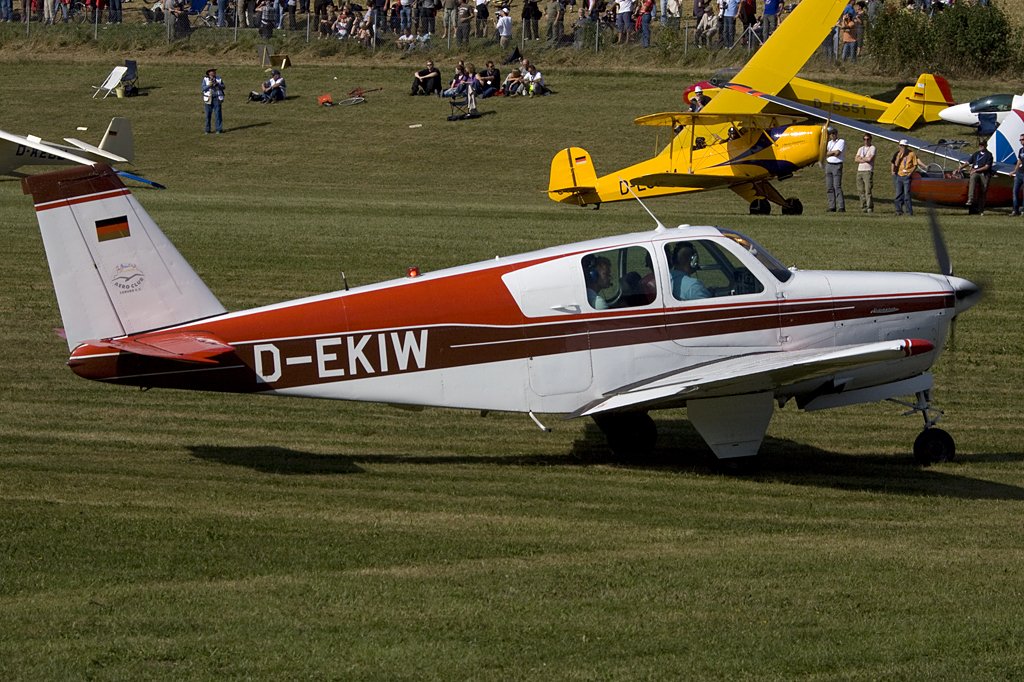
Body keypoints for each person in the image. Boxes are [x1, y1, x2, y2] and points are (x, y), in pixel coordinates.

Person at [960, 139, 994, 215]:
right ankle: (970, 199)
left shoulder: (989, 155)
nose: (980, 146)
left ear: (986, 145)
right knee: (972, 178)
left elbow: (987, 167)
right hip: (976, 172)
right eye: (980, 145)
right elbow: (968, 162)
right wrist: (960, 168)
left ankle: (981, 209)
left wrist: (976, 170)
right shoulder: (976, 154)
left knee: (983, 191)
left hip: (984, 173)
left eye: (982, 145)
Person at [892, 139, 919, 216]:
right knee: (898, 194)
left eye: (903, 146)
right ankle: (898, 210)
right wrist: (899, 156)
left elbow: (915, 165)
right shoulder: (898, 154)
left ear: (907, 146)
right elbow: (896, 164)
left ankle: (909, 211)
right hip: (899, 175)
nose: (902, 147)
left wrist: (910, 173)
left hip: (907, 176)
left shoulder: (912, 154)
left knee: (907, 194)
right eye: (901, 146)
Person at [824, 127, 845, 212]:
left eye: (833, 133)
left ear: (836, 134)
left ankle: (841, 206)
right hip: (828, 164)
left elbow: (837, 153)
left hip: (837, 165)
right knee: (829, 187)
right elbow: (824, 153)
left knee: (837, 186)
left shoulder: (841, 141)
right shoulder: (829, 143)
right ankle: (832, 206)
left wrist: (830, 153)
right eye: (831, 134)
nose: (832, 135)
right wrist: (831, 153)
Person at [854, 133, 876, 213]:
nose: (866, 141)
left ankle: (869, 207)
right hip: (860, 171)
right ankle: (863, 207)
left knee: (868, 190)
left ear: (870, 139)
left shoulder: (872, 148)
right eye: (864, 139)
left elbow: (870, 159)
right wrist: (864, 159)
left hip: (868, 171)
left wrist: (861, 158)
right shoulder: (860, 148)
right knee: (860, 190)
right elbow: (856, 159)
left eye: (867, 139)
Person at [201, 68, 225, 134]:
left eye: (214, 71)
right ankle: (207, 130)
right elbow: (203, 89)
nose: (214, 72)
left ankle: (218, 129)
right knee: (208, 115)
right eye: (212, 72)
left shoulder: (219, 78)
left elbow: (223, 87)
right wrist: (209, 85)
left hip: (217, 98)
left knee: (218, 114)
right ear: (209, 73)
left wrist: (218, 84)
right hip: (208, 98)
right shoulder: (205, 79)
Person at [1013, 133, 1024, 217]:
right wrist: (1015, 170)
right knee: (1015, 192)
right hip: (1019, 173)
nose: (1021, 141)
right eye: (1020, 140)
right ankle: (1015, 210)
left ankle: (1023, 211)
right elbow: (1019, 160)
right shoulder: (1021, 150)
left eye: (1022, 139)